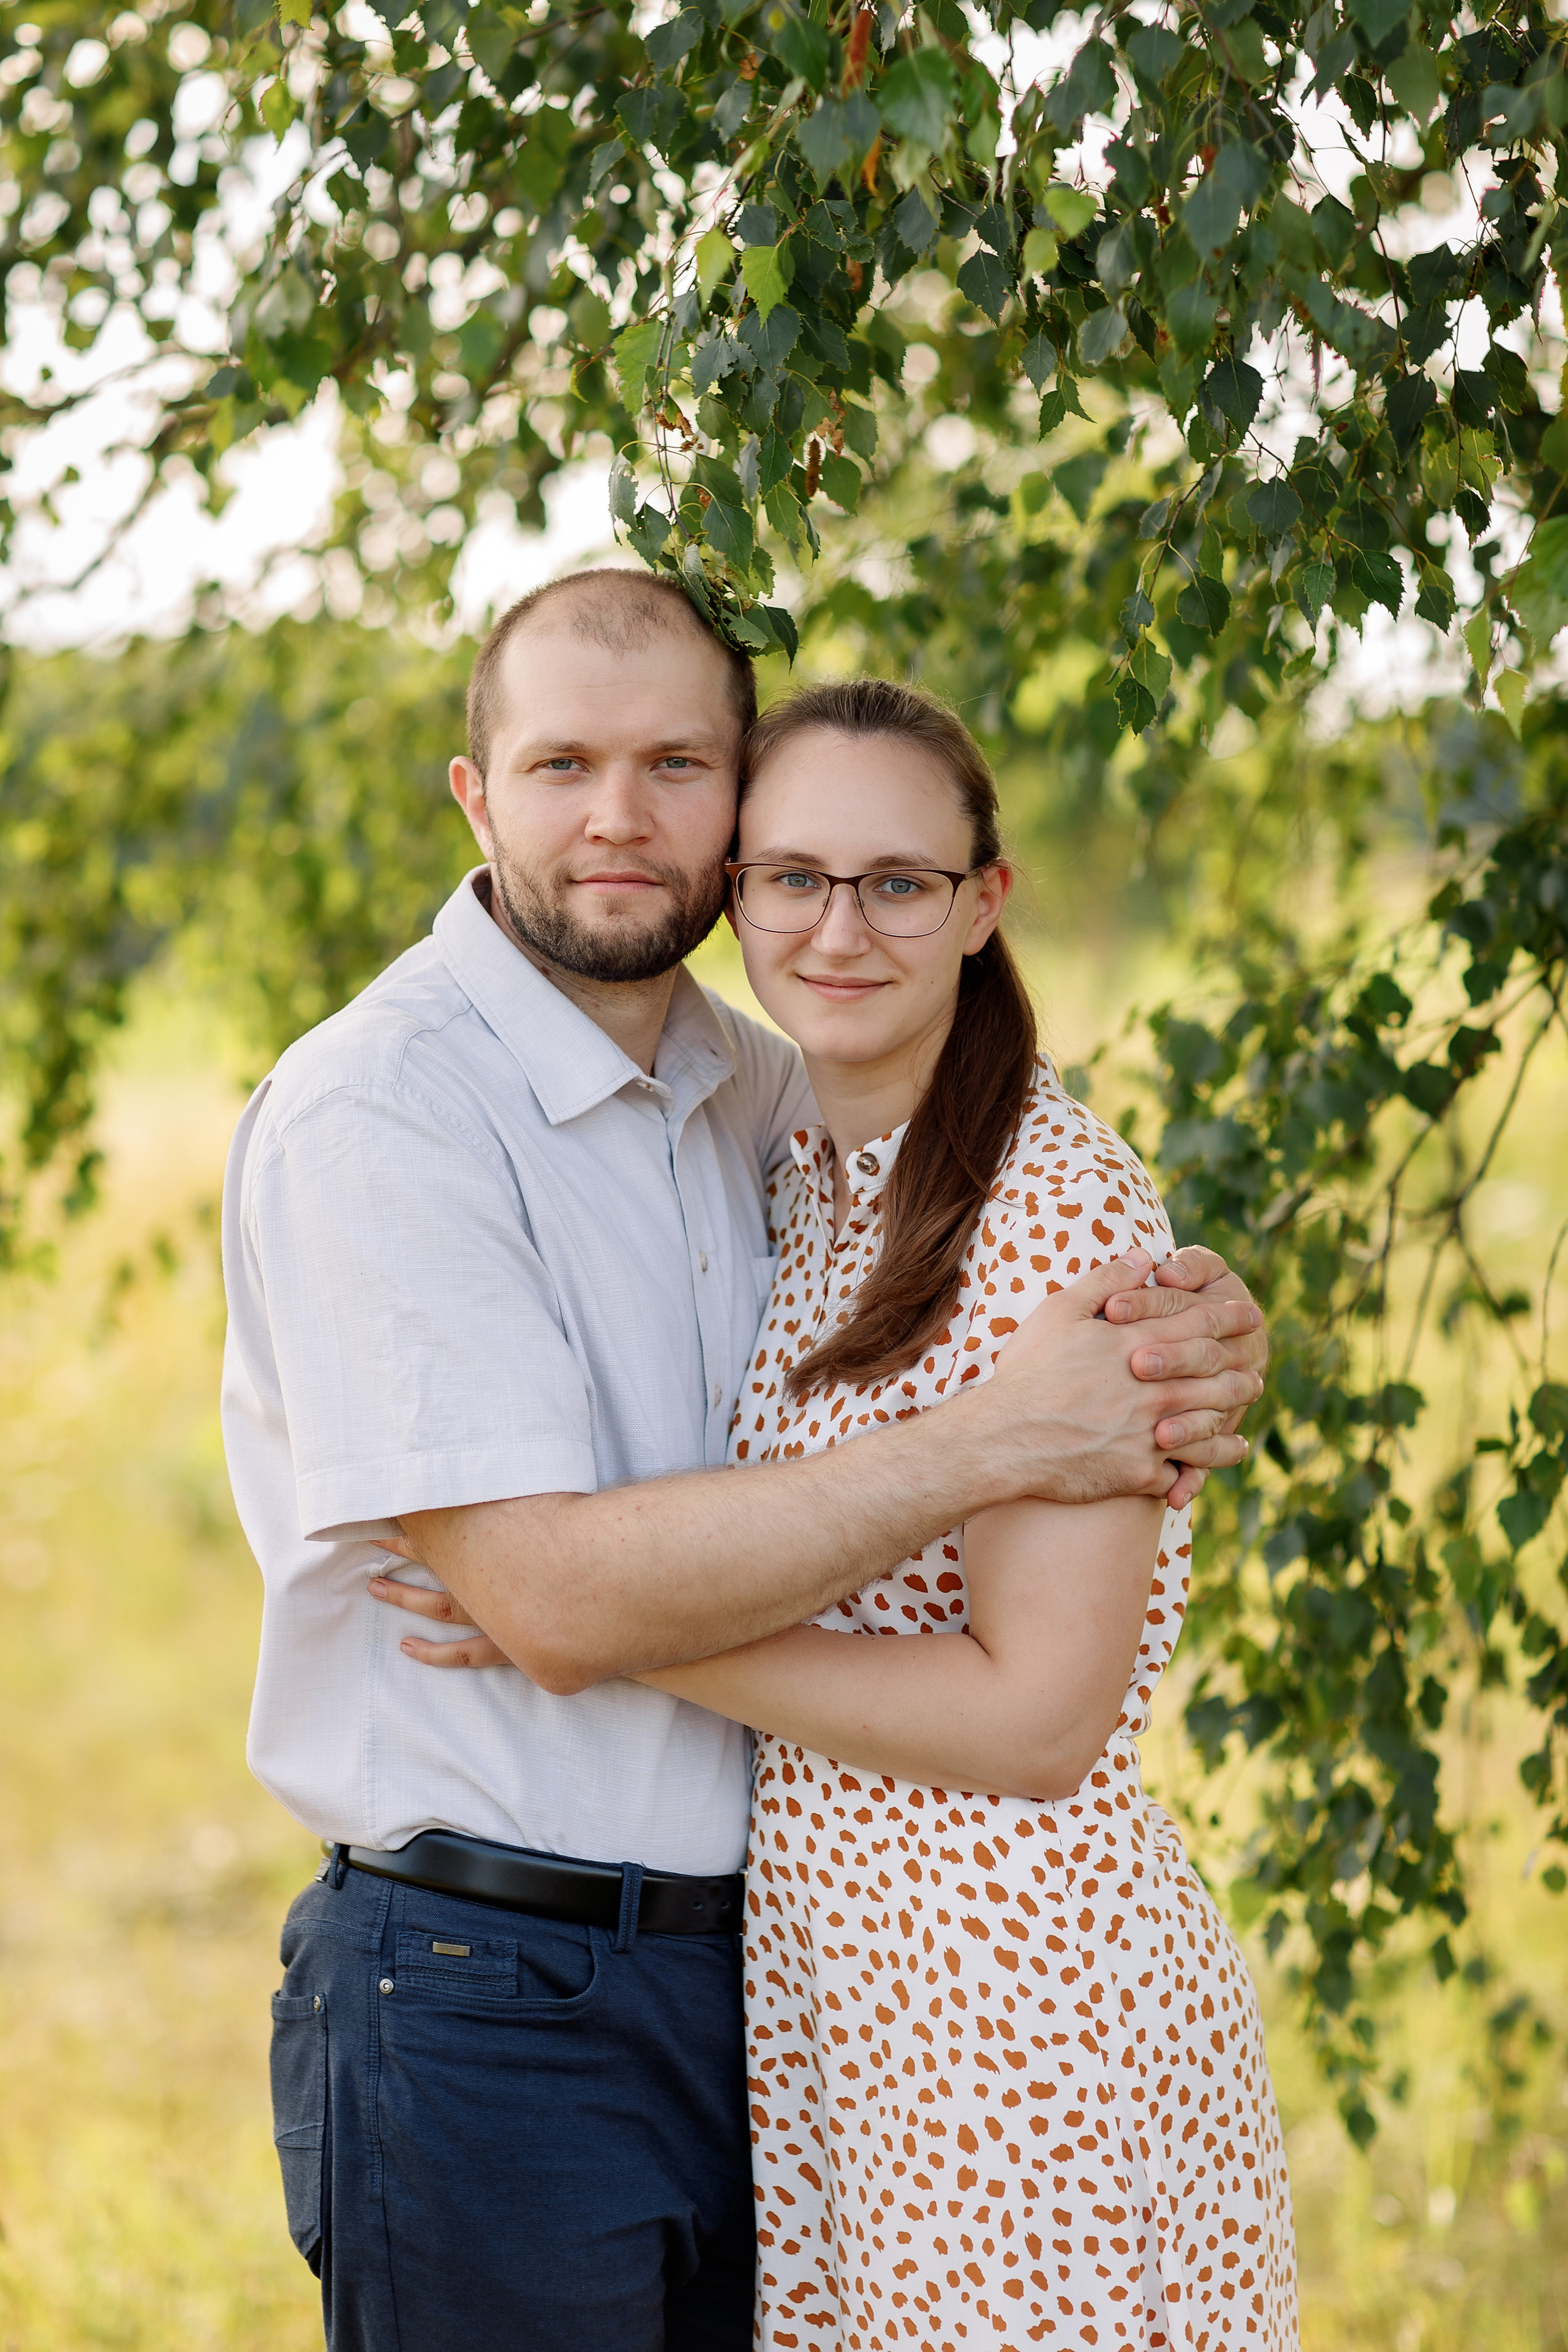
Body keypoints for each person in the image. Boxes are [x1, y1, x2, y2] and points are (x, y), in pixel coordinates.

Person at [222, 570, 1269, 2352]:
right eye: (560, 764)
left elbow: (1018, 1186)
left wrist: (1213, 1318)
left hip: (805, 1997)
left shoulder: (762, 1103)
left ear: (728, 811)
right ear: (477, 795)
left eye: (675, 766)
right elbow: (548, 1603)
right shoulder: (382, 1111)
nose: (617, 818)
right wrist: (990, 1441)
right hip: (492, 1998)